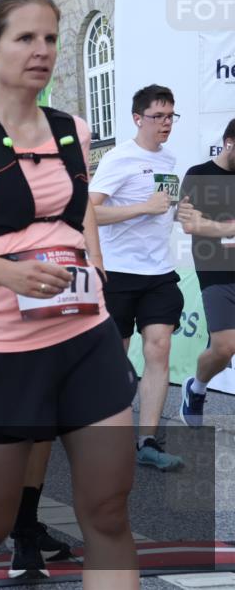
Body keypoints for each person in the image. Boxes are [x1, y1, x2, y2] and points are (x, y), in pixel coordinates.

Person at [0, 0, 138, 590]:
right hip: (3, 350)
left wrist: (93, 267)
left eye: (49, 38)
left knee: (108, 510)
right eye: (25, 38)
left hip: (84, 333)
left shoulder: (74, 128)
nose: (41, 51)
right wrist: (14, 273)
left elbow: (76, 215)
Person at [89, 84, 185, 471]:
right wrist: (142, 208)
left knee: (158, 349)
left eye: (170, 116)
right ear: (137, 118)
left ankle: (147, 440)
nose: (165, 123)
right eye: (157, 116)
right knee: (115, 358)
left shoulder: (170, 159)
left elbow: (163, 213)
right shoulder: (118, 159)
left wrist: (184, 216)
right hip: (119, 272)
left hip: (159, 272)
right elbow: (89, 213)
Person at [178, 118, 235, 426]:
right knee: (225, 347)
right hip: (217, 269)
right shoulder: (198, 175)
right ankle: (196, 389)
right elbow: (189, 223)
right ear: (230, 141)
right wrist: (228, 229)